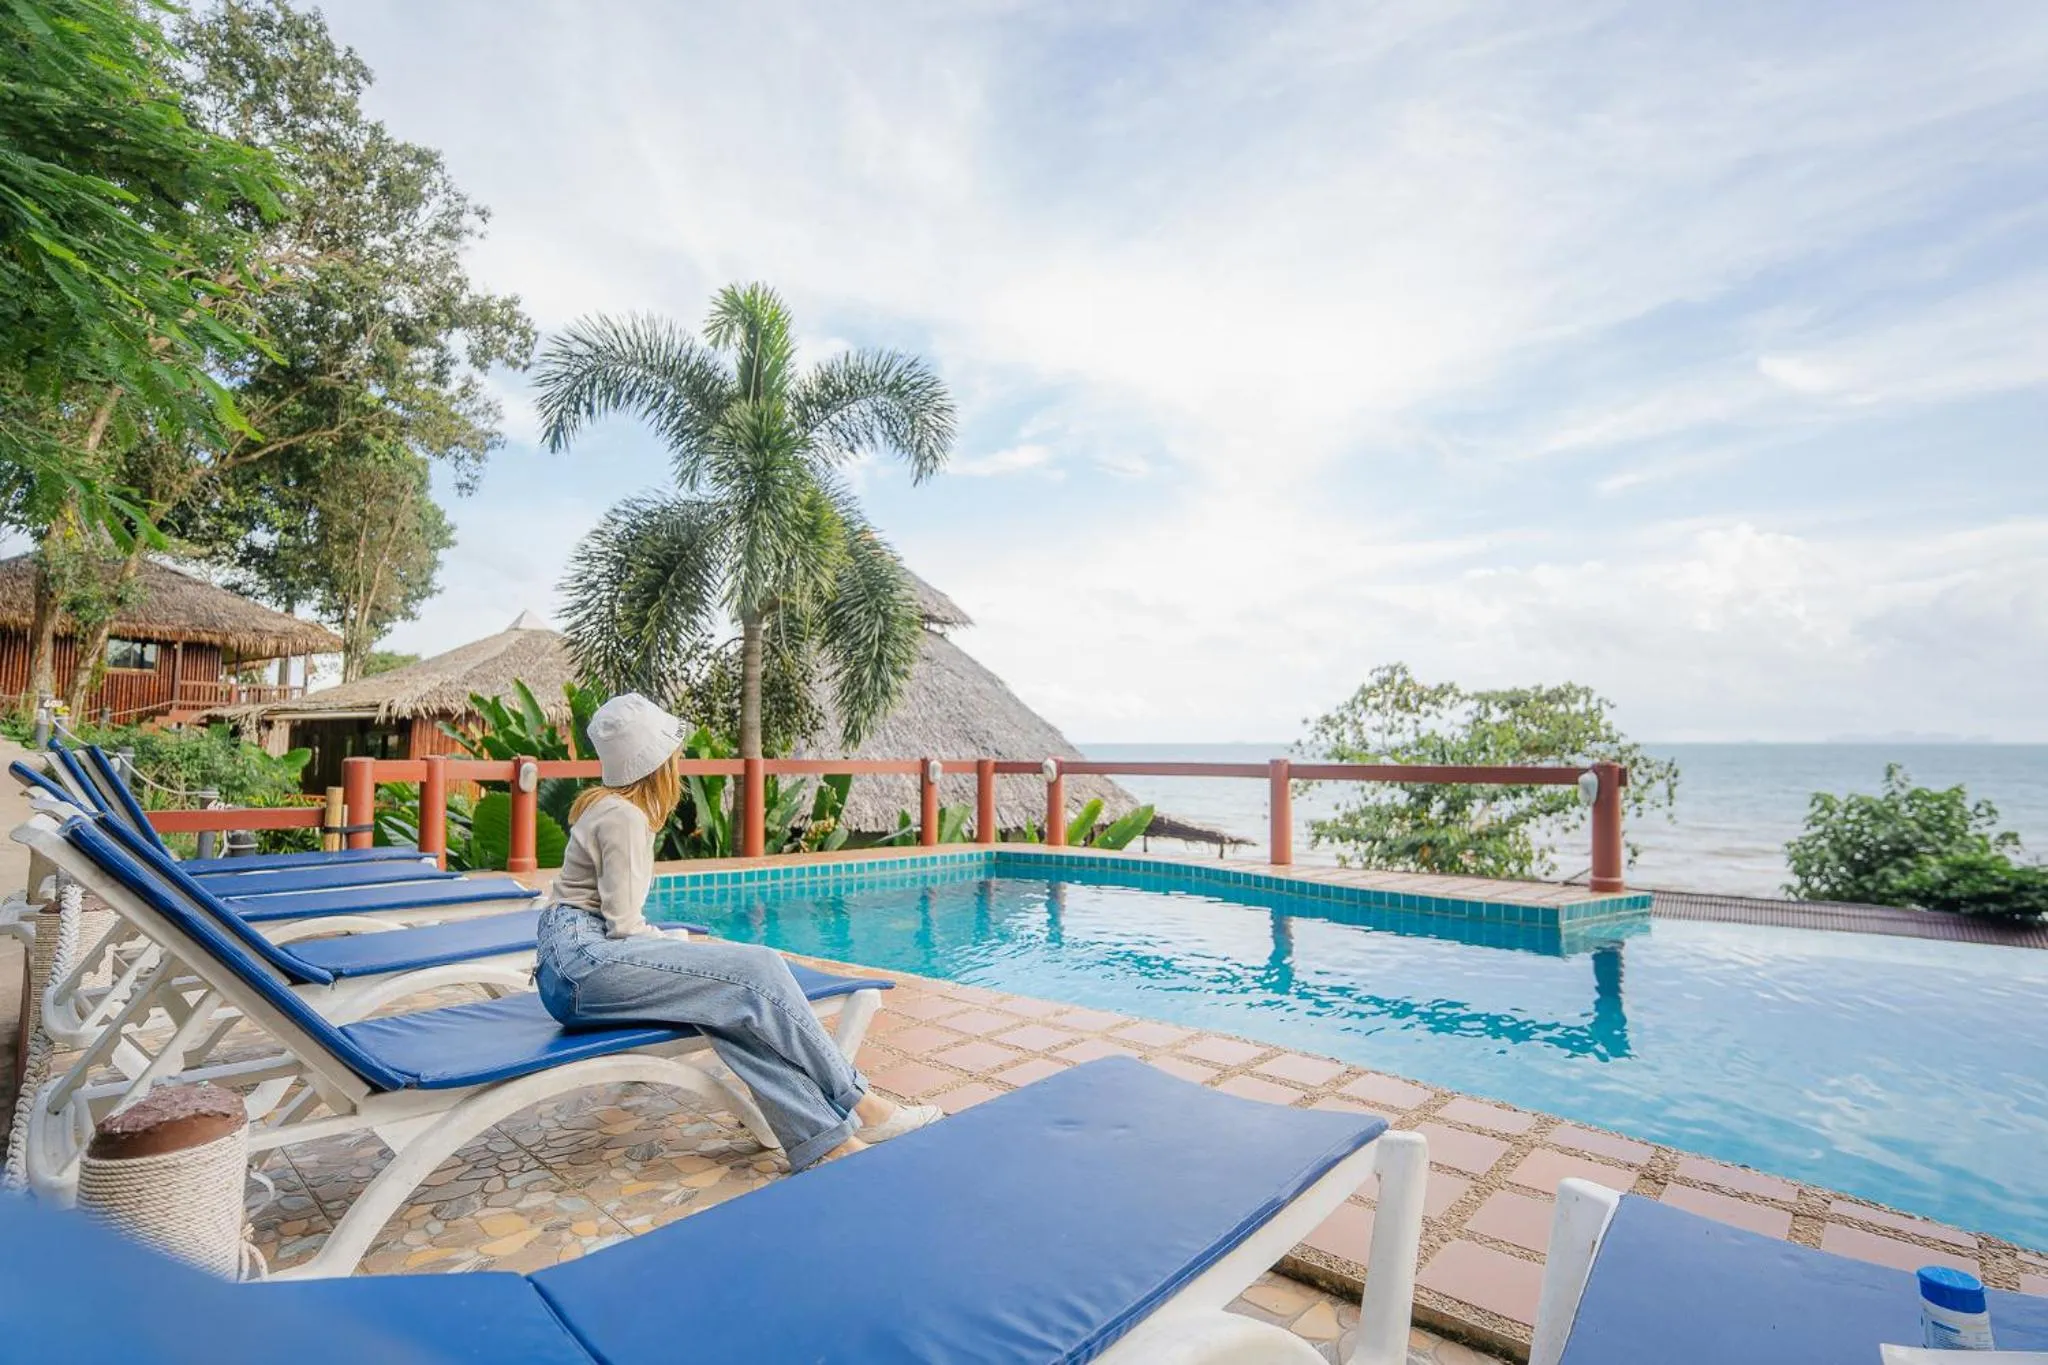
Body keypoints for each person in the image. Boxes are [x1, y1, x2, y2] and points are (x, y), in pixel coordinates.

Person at [536, 692, 941, 1170]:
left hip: (574, 963)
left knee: (733, 1005)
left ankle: (827, 1143)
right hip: (585, 964)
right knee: (757, 967)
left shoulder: (605, 807)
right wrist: (677, 945)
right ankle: (860, 1102)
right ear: (658, 761)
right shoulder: (623, 816)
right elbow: (625, 928)